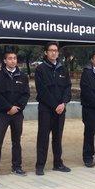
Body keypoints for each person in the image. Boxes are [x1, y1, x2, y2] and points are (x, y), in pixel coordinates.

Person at [0, 47, 30, 180]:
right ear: (5, 61)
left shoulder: (23, 76)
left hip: (17, 114)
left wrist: (17, 107)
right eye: (10, 58)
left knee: (16, 141)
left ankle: (16, 166)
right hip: (3, 114)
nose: (13, 61)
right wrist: (8, 107)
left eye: (15, 58)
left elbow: (25, 94)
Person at [35, 42, 72, 175]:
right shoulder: (40, 69)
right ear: (46, 52)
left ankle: (58, 163)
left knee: (58, 137)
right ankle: (40, 165)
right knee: (43, 137)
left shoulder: (63, 68)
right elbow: (42, 91)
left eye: (55, 50)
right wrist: (54, 105)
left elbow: (68, 88)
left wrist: (63, 103)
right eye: (51, 50)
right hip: (46, 109)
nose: (53, 53)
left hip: (61, 109)